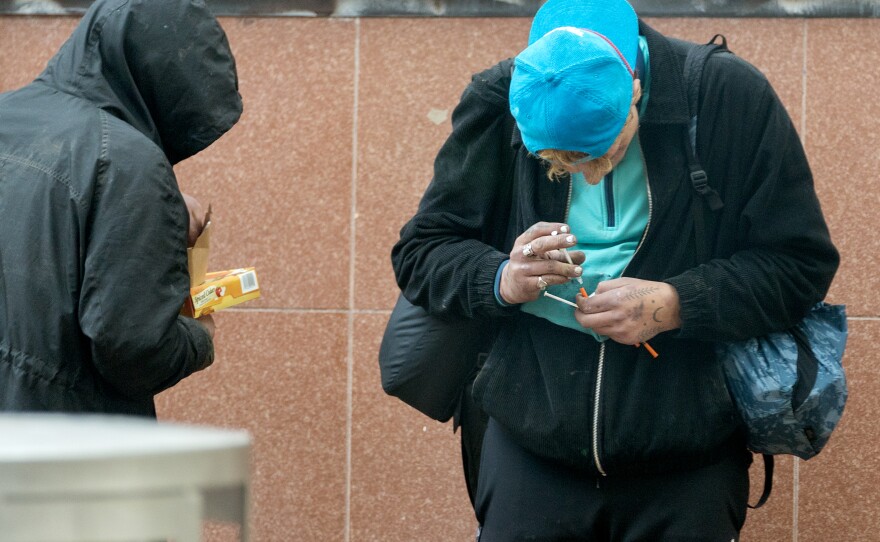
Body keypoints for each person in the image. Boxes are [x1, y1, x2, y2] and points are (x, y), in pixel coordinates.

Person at [391, 0, 839, 539]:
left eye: (605, 152)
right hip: (530, 449)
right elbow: (422, 251)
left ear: (634, 89)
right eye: (561, 164)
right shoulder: (498, 98)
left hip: (686, 460)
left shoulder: (725, 96)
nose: (592, 177)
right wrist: (500, 279)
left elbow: (799, 264)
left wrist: (675, 304)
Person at [0, 0, 242, 416]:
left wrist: (157, 208)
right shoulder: (130, 163)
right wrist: (199, 336)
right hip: (59, 446)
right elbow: (132, 349)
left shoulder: (9, 113)